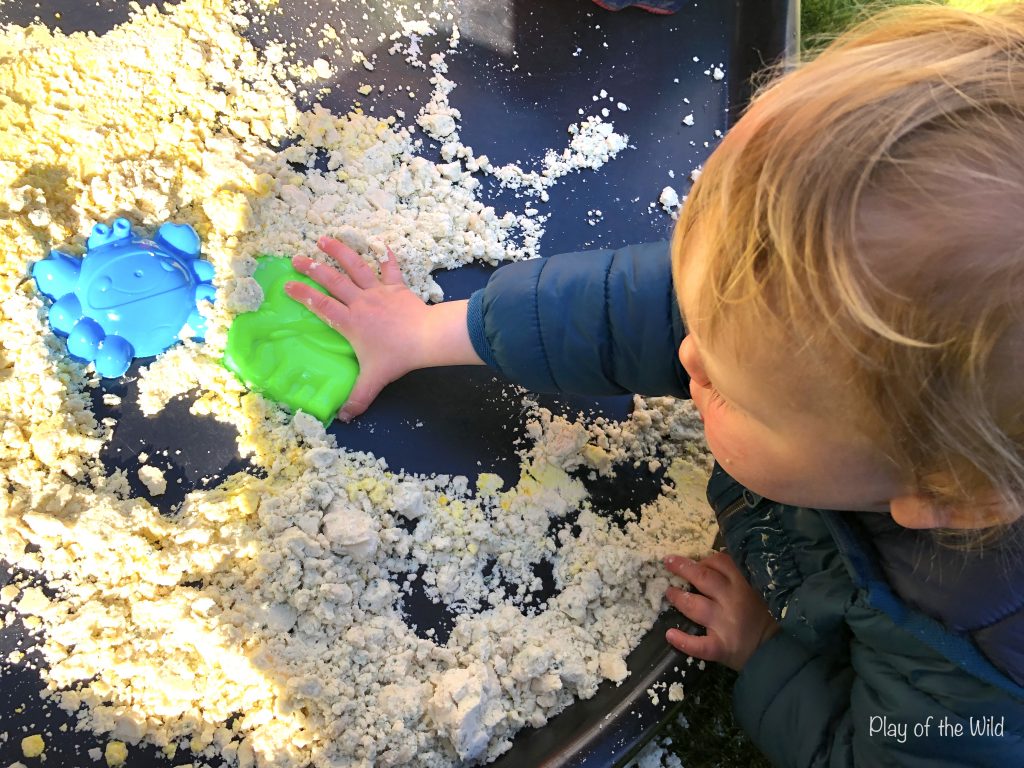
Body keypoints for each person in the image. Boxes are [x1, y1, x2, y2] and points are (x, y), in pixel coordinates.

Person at [283, 4, 1024, 765]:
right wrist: (430, 333)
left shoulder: (972, 658)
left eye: (735, 394)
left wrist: (767, 653)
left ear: (943, 496)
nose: (689, 359)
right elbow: (629, 311)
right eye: (701, 322)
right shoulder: (794, 322)